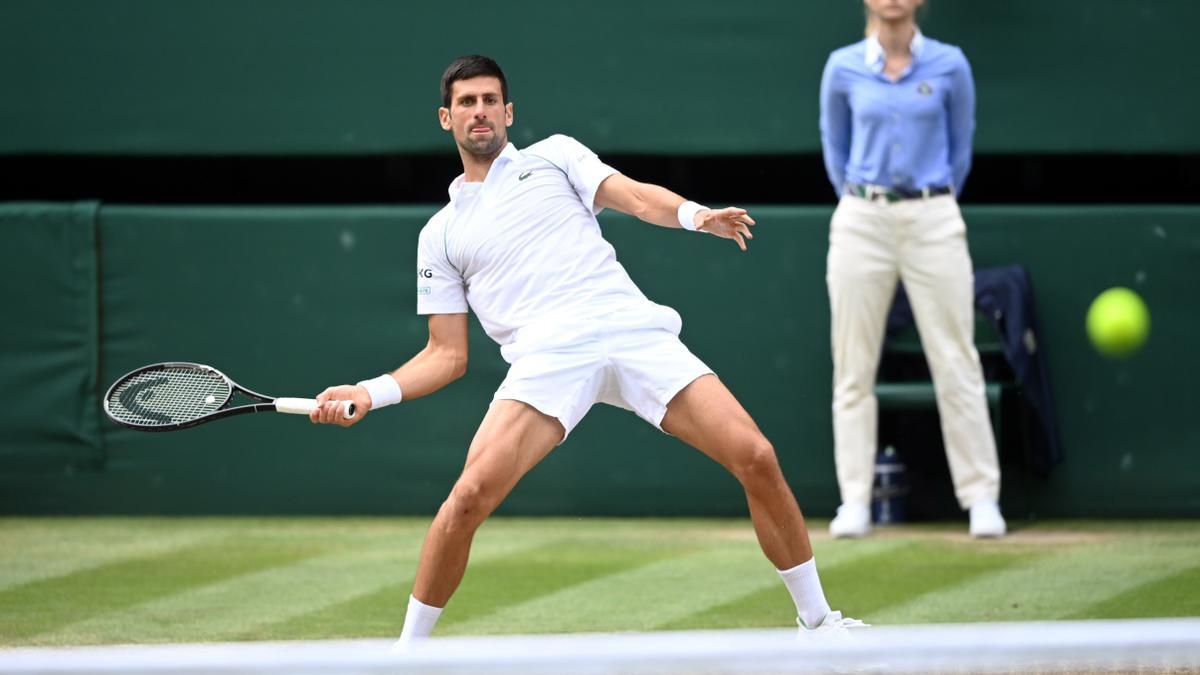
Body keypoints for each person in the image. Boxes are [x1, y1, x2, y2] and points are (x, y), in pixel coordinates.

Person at [310, 55, 866, 646]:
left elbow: (635, 198)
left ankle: (817, 623)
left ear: (508, 111)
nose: (480, 112)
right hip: (547, 358)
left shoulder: (555, 154)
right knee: (468, 497)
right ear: (446, 118)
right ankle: (408, 655)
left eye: (490, 100)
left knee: (755, 454)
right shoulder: (440, 234)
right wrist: (368, 393)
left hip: (629, 328)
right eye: (467, 102)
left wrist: (696, 216)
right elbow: (446, 355)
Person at [819, 0, 1006, 539]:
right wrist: (866, 201)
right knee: (852, 364)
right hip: (861, 216)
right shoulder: (842, 67)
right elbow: (836, 147)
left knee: (956, 357)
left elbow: (961, 147)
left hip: (934, 215)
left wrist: (929, 202)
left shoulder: (951, 64)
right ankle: (855, 500)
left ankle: (981, 498)